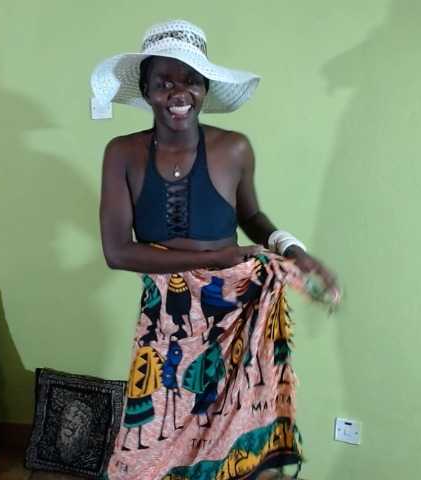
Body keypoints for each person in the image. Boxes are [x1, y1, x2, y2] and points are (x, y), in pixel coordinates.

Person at [92, 20, 340, 480]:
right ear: (146, 90)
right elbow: (118, 252)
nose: (178, 92)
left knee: (236, 434)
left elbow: (253, 217)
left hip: (237, 311)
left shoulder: (234, 149)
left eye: (191, 80)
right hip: (168, 320)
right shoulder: (122, 154)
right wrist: (212, 259)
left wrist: (294, 250)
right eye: (164, 81)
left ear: (205, 88)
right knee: (154, 439)